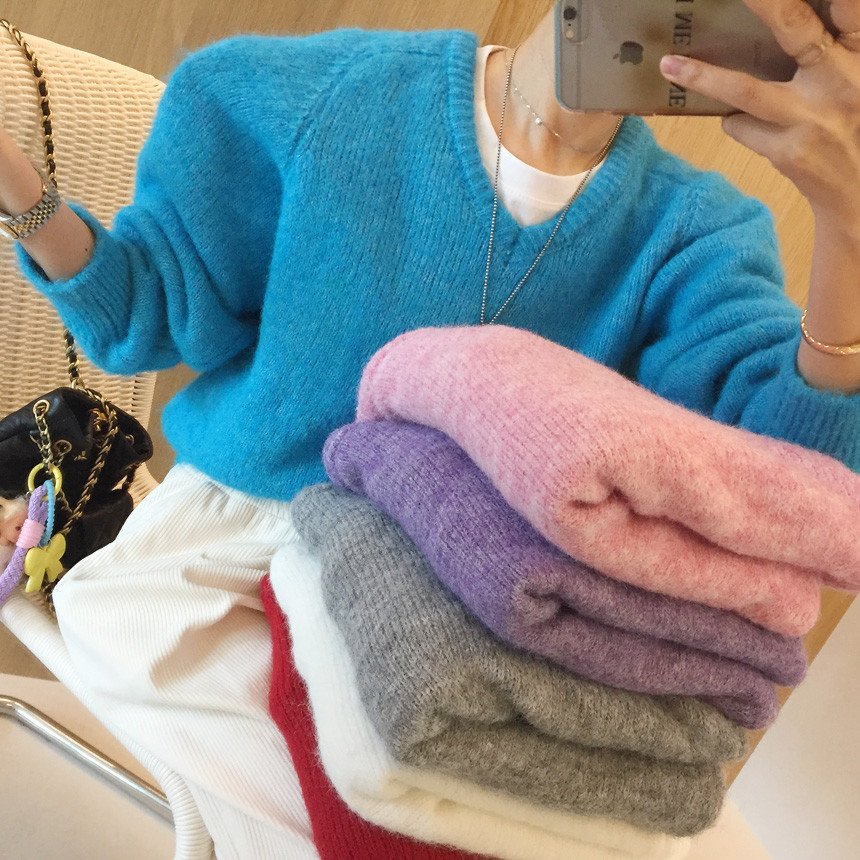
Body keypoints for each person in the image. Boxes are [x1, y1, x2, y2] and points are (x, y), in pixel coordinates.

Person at [1, 0, 859, 857]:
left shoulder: (693, 232)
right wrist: (19, 191)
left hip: (488, 596)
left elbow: (788, 480)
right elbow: (143, 317)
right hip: (229, 559)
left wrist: (849, 224)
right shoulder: (302, 95)